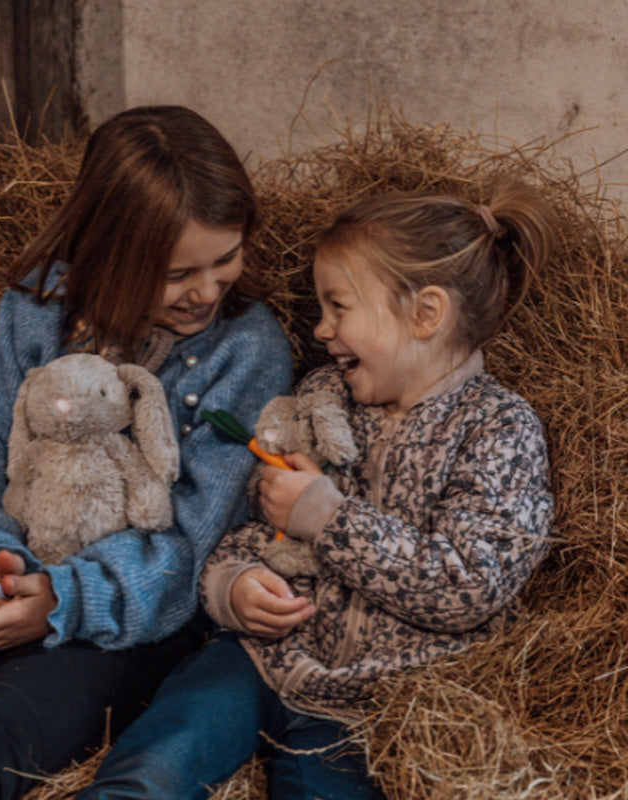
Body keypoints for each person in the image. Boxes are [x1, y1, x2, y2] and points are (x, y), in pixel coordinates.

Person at [0, 105, 292, 799]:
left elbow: (193, 537)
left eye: (226, 258)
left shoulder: (247, 351)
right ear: (108, 251)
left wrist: (64, 599)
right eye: (175, 274)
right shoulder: (42, 306)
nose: (206, 290)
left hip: (123, 621)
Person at [78, 181, 557, 799]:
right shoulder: (321, 399)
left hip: (373, 697)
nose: (322, 330)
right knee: (146, 773)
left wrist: (328, 519)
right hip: (258, 660)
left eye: (339, 307)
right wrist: (234, 585)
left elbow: (469, 587)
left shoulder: (499, 429)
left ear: (426, 313)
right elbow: (251, 522)